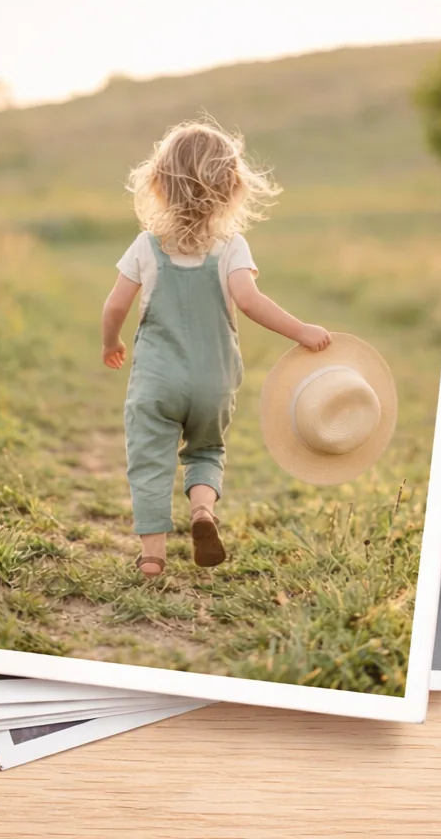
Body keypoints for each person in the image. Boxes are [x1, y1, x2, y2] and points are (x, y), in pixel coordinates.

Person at [101, 118, 331, 577]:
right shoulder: (231, 246)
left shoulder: (147, 246)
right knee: (206, 451)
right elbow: (249, 301)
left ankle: (152, 557)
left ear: (159, 184)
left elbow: (114, 305)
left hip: (157, 382)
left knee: (150, 460)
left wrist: (112, 341)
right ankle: (203, 511)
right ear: (231, 189)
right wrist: (301, 330)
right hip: (215, 381)